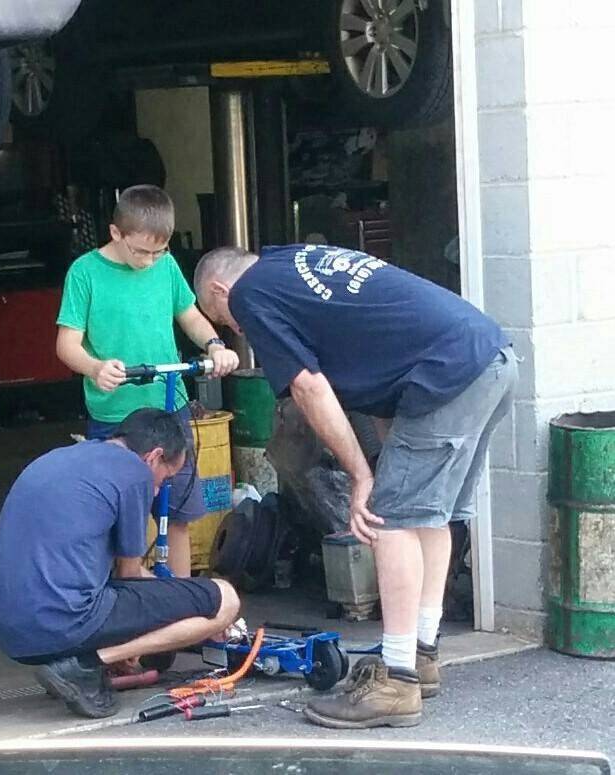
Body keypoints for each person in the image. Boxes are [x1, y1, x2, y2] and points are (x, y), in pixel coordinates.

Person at [193, 244, 518, 729]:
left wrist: (363, 478)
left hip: (448, 374)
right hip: (489, 358)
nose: (233, 329)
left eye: (221, 317)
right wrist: (381, 465)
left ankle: (398, 681)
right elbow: (381, 363)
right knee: (428, 517)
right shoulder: (288, 262)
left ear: (221, 290)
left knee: (390, 522)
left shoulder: (251, 296)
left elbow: (310, 389)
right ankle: (420, 654)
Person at [0, 408, 240, 719]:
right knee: (225, 599)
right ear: (153, 457)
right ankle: (88, 665)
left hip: (7, 631)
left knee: (131, 597)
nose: (157, 491)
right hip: (60, 623)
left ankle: (74, 664)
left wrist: (175, 598)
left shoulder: (61, 458)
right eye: (165, 479)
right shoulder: (133, 474)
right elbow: (129, 574)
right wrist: (194, 608)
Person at [56, 185, 240, 577]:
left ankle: (180, 599)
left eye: (160, 251)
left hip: (169, 407)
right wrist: (94, 368)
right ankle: (128, 595)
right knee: (122, 515)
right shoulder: (85, 272)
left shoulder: (166, 267)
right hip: (116, 415)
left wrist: (214, 344)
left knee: (177, 512)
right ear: (115, 233)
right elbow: (66, 344)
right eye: (141, 251)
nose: (150, 260)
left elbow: (189, 315)